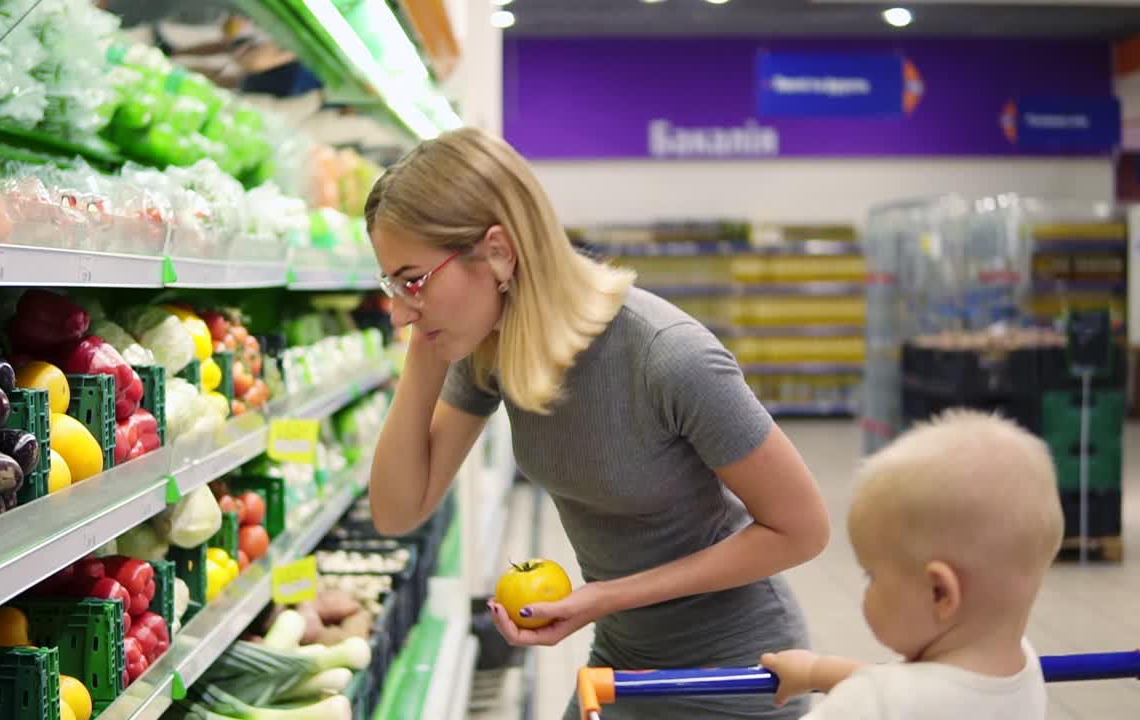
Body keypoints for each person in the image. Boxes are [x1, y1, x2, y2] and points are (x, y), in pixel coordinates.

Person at [364, 127, 830, 720]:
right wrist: (423, 352)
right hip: (622, 655)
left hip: (735, 674)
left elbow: (802, 530)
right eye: (391, 285)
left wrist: (605, 597)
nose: (400, 311)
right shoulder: (490, 348)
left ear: (500, 252)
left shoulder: (667, 356)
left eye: (414, 279)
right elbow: (398, 511)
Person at [761, 409, 1063, 719]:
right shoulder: (1022, 667)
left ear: (939, 593)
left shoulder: (868, 705)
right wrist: (816, 671)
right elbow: (920, 689)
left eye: (871, 575)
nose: (866, 591)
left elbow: (889, 696)